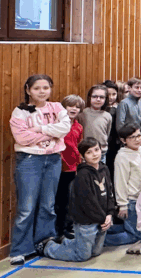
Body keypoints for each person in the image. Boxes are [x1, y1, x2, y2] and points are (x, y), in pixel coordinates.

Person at [9, 74, 72, 265]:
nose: (42, 91)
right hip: (30, 160)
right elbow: (22, 138)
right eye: (37, 88)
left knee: (48, 205)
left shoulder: (57, 107)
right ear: (28, 90)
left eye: (46, 87)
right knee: (26, 208)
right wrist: (52, 132)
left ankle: (44, 242)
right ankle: (20, 249)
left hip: (53, 159)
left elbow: (65, 128)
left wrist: (40, 130)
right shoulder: (20, 112)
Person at [38, 138, 116, 262]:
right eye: (89, 152)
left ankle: (67, 242)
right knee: (82, 256)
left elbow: (110, 194)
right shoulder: (83, 175)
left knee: (95, 252)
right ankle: (48, 247)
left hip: (102, 219)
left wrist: (110, 214)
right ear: (82, 156)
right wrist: (103, 219)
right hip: (87, 222)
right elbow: (88, 202)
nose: (94, 154)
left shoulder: (104, 169)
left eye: (96, 150)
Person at [105, 124, 141, 249]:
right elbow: (120, 181)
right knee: (134, 236)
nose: (137, 139)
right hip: (131, 200)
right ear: (124, 140)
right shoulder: (122, 156)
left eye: (139, 136)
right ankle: (98, 239)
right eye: (132, 137)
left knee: (138, 229)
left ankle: (101, 231)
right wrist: (122, 205)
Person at [57, 95, 85, 238]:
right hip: (59, 167)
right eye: (70, 106)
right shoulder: (58, 124)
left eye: (77, 107)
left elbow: (78, 146)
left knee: (69, 200)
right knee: (59, 201)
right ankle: (59, 231)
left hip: (72, 168)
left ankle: (68, 227)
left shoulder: (78, 127)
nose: (74, 109)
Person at [79, 85, 113, 163]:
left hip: (101, 153)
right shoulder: (83, 113)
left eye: (101, 97)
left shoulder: (107, 116)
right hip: (86, 153)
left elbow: (107, 133)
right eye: (95, 97)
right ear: (89, 97)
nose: (98, 99)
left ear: (105, 99)